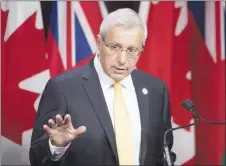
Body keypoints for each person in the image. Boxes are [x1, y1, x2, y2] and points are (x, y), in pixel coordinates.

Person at [29, 8, 176, 166]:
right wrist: (57, 147)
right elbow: (37, 159)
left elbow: (164, 154)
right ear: (99, 42)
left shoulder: (156, 90)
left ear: (142, 49)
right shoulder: (63, 89)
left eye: (132, 50)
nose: (122, 60)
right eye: (115, 47)